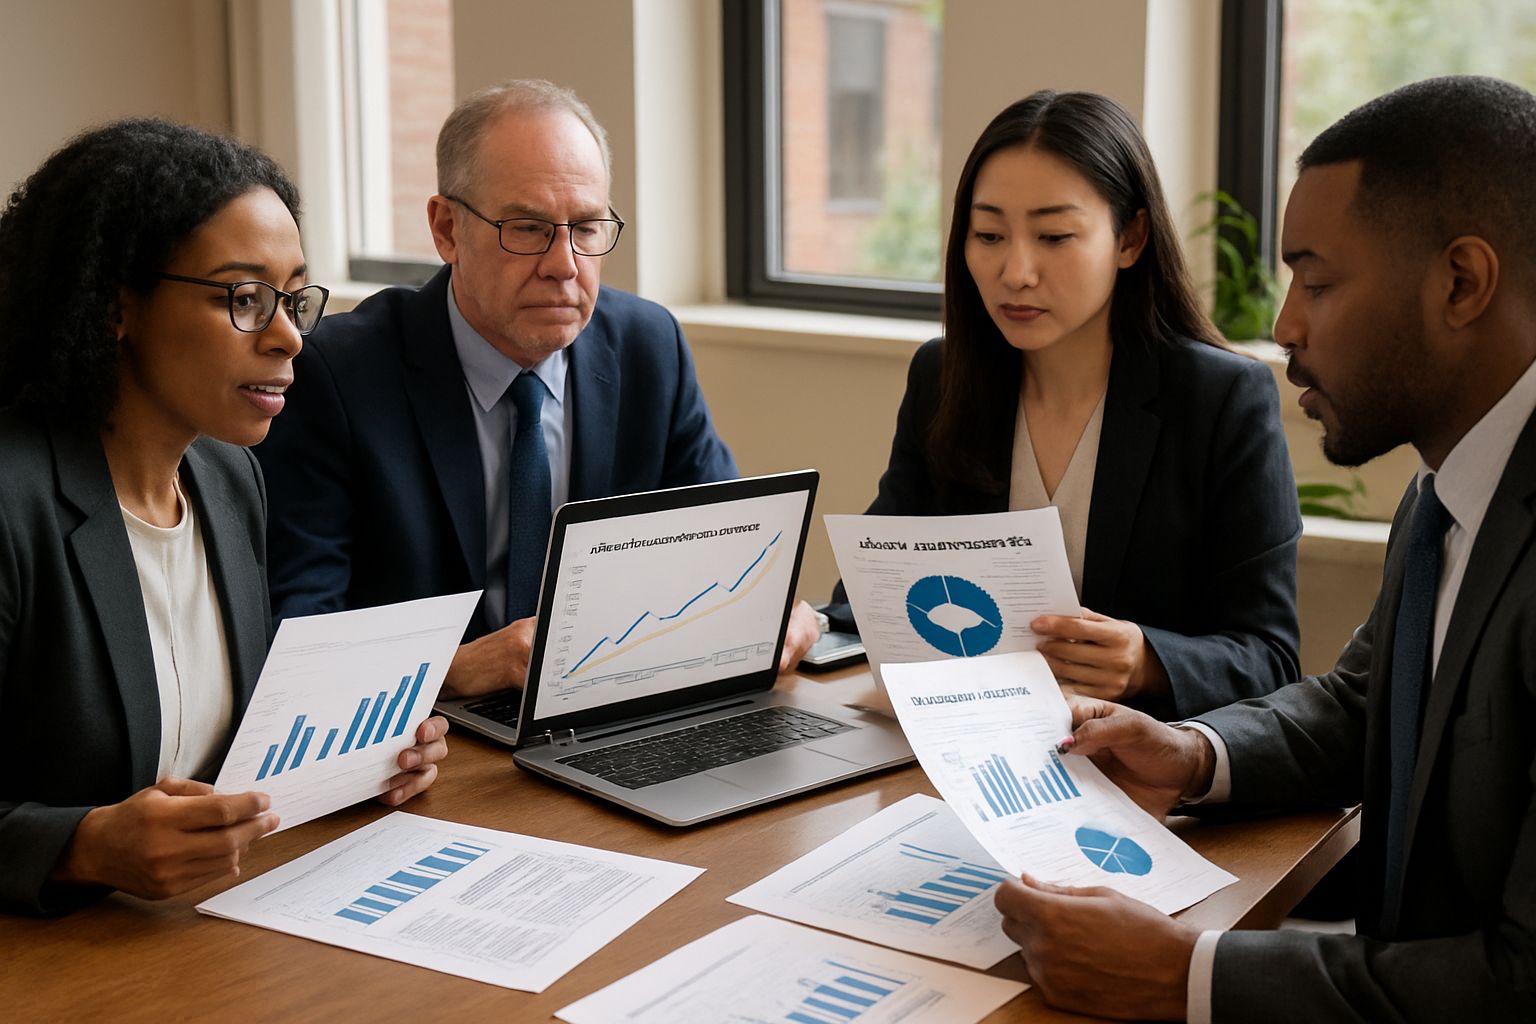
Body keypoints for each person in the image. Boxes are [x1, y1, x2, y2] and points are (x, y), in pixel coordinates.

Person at [996, 75, 1536, 1021]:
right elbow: (1364, 705)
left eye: (1318, 282)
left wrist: (1185, 976)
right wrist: (1192, 752)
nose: (1285, 325)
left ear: (1461, 283)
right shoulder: (1446, 493)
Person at [0, 120, 450, 916]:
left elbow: (223, 744)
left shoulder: (227, 476)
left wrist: (361, 759)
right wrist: (82, 847)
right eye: (244, 298)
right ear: (115, 305)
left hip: (192, 935)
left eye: (292, 299)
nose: (288, 339)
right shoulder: (13, 500)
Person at [257, 79, 818, 698]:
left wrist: (774, 606)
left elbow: (730, 549)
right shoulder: (338, 373)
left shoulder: (647, 347)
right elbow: (299, 631)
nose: (563, 263)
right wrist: (454, 670)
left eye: (586, 227)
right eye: (527, 229)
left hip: (610, 714)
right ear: (446, 230)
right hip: (429, 741)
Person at [828, 90, 1299, 718]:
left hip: (1135, 772)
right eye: (989, 234)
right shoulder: (943, 377)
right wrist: (809, 623)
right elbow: (874, 588)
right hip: (962, 746)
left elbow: (1270, 655)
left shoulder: (1221, 399)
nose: (1016, 271)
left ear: (1130, 238)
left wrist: (1147, 661)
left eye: (1053, 236)